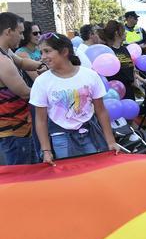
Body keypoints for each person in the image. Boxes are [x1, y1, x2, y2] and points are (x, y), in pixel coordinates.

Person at [30, 33, 122, 165]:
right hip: (60, 138)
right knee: (68, 177)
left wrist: (111, 141)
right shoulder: (42, 82)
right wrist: (46, 150)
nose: (43, 57)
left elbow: (101, 111)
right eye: (41, 52)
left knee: (95, 172)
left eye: (47, 51)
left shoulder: (90, 75)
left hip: (91, 134)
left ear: (64, 52)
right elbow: (40, 120)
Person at [0, 12, 34, 165]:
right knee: (21, 175)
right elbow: (25, 92)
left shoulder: (6, 51)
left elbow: (22, 63)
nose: (22, 37)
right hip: (13, 130)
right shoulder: (2, 61)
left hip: (18, 126)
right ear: (8, 31)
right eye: (20, 33)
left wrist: (45, 64)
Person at [102, 20, 145, 100]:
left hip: (129, 89)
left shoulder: (124, 49)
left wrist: (135, 82)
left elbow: (130, 66)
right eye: (124, 31)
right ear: (116, 33)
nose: (126, 33)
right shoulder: (107, 50)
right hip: (115, 90)